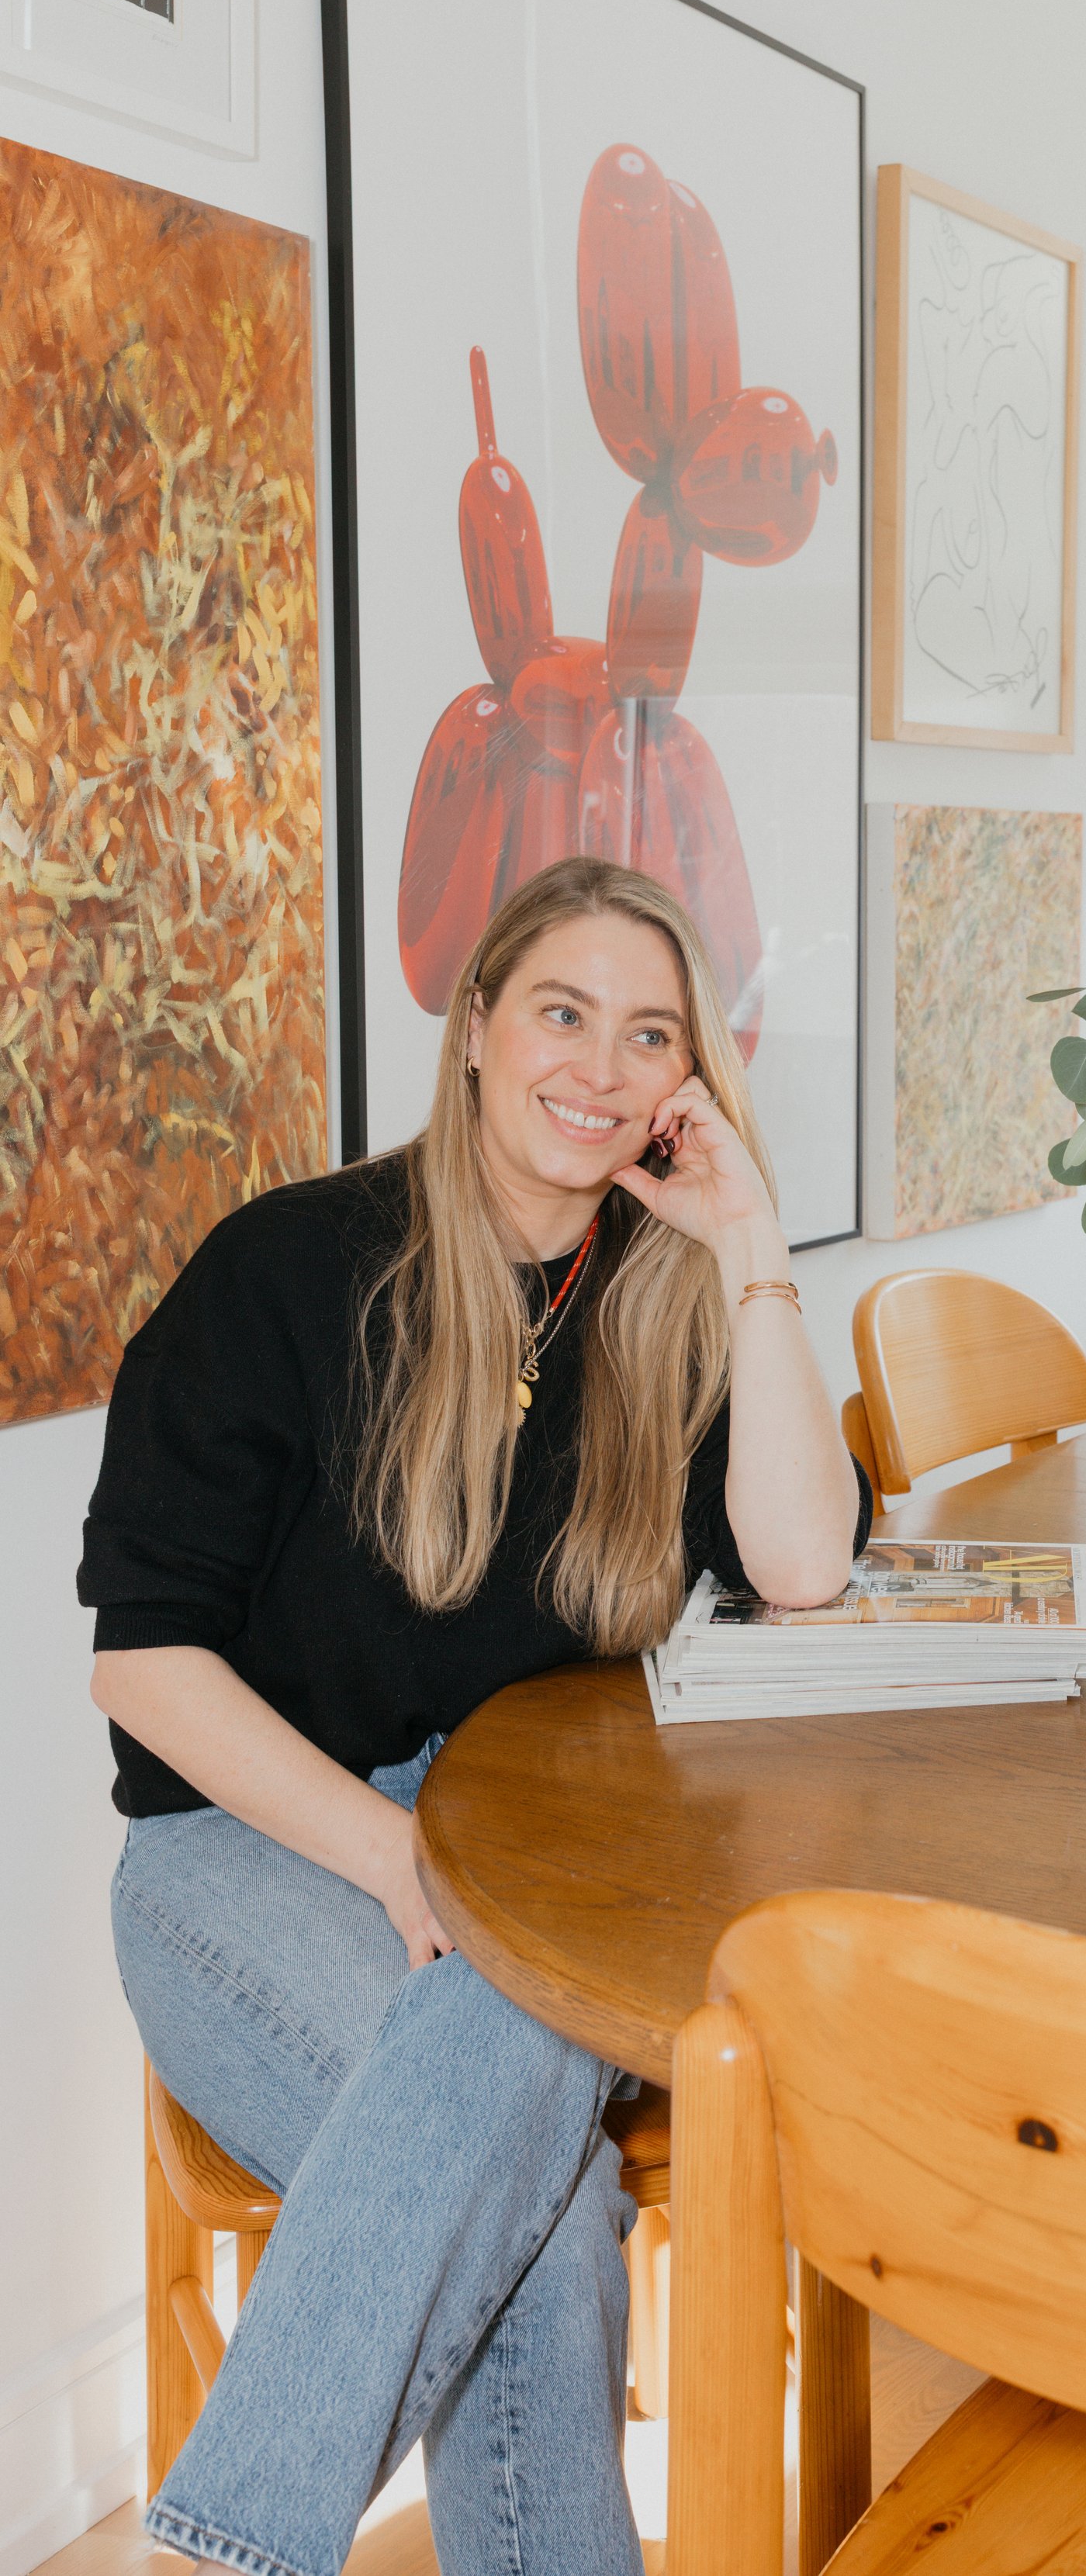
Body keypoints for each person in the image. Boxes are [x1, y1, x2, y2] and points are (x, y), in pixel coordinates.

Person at [83, 856, 866, 2576]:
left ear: (686, 1082)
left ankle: (216, 2548)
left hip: (551, 1856)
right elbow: (143, 1664)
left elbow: (804, 1564)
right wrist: (395, 1857)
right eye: (562, 1011)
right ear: (477, 1029)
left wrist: (747, 1241)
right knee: (541, 2123)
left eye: (647, 1033)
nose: (596, 1063)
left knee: (548, 2196)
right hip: (250, 1852)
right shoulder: (288, 1271)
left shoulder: (666, 1300)